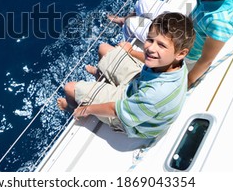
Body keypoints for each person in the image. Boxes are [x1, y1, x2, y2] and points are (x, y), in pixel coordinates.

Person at [57, 12, 195, 139]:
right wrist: (132, 52)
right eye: (150, 39)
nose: (151, 48)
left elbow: (116, 110)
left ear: (181, 53)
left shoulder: (156, 94)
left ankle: (72, 108)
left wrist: (86, 109)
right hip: (138, 85)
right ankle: (100, 77)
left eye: (161, 45)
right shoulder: (176, 64)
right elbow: (151, 60)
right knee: (103, 48)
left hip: (131, 119)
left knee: (70, 88)